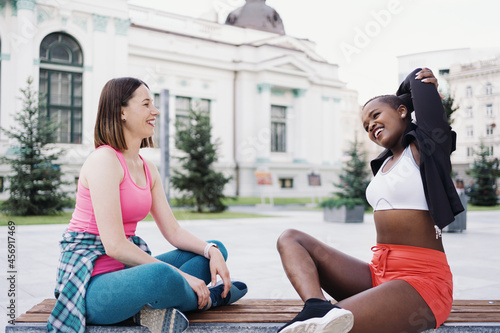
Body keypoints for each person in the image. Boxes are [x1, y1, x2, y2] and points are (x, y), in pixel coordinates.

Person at [47, 77, 247, 333]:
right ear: (121, 112)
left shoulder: (147, 168)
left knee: (212, 251)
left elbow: (173, 231)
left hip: (128, 274)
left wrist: (211, 250)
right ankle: (209, 300)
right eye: (146, 104)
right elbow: (116, 246)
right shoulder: (104, 161)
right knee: (160, 275)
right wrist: (182, 277)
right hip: (92, 287)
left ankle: (155, 306)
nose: (156, 111)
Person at [276, 68, 464, 333]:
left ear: (402, 111)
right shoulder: (384, 162)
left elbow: (417, 80)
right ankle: (316, 304)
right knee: (290, 238)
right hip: (377, 273)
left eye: (376, 116)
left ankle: (325, 316)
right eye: (366, 125)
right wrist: (396, 106)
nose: (371, 125)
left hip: (422, 281)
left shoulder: (426, 148)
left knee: (332, 325)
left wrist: (415, 93)